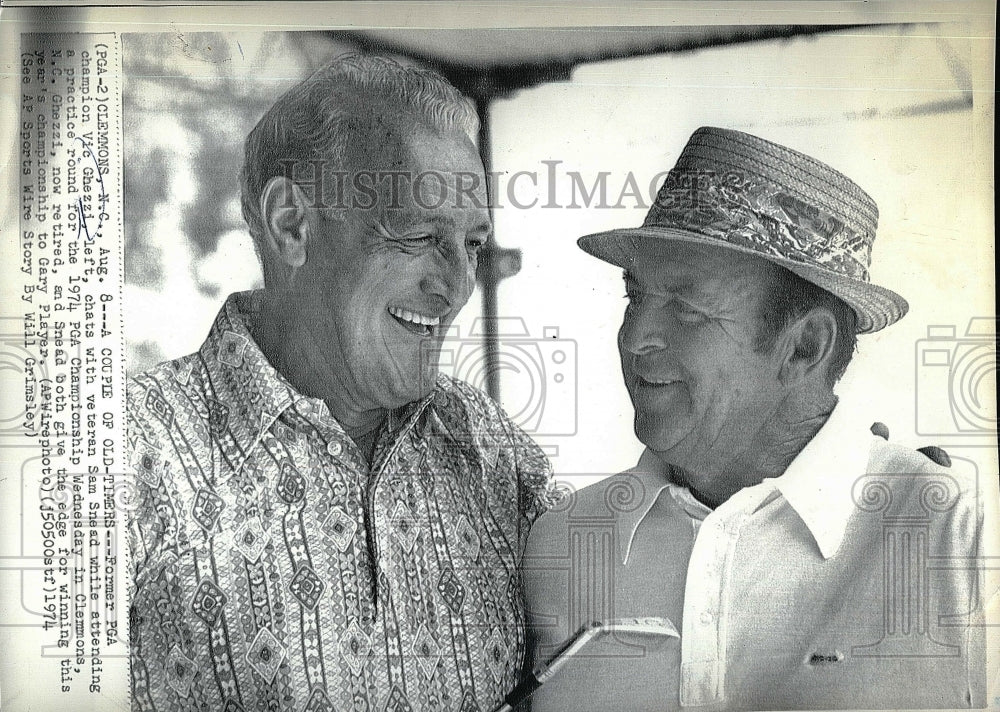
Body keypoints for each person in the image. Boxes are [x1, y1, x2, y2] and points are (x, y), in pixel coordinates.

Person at [126, 55, 555, 712]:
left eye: (470, 245)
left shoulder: (499, 455)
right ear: (292, 225)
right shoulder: (122, 456)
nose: (458, 286)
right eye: (419, 235)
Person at [523, 127, 997, 710]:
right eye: (634, 294)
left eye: (687, 306)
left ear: (804, 348)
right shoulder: (563, 545)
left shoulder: (960, 540)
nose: (635, 337)